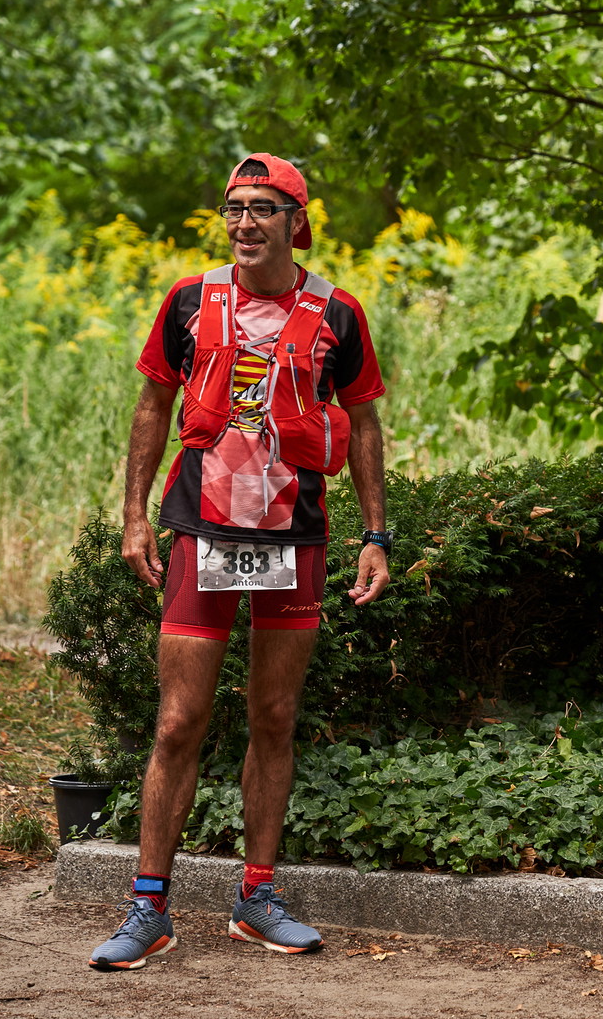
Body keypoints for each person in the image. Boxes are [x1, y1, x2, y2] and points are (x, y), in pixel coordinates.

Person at [88, 154, 391, 971]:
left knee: (275, 716)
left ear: (298, 222)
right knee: (178, 720)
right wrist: (134, 516)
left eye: (262, 208)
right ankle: (148, 908)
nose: (244, 222)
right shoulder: (190, 300)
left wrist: (377, 534)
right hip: (204, 528)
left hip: (295, 535)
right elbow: (153, 403)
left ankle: (257, 899)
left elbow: (363, 421)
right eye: (234, 208)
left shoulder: (339, 313)